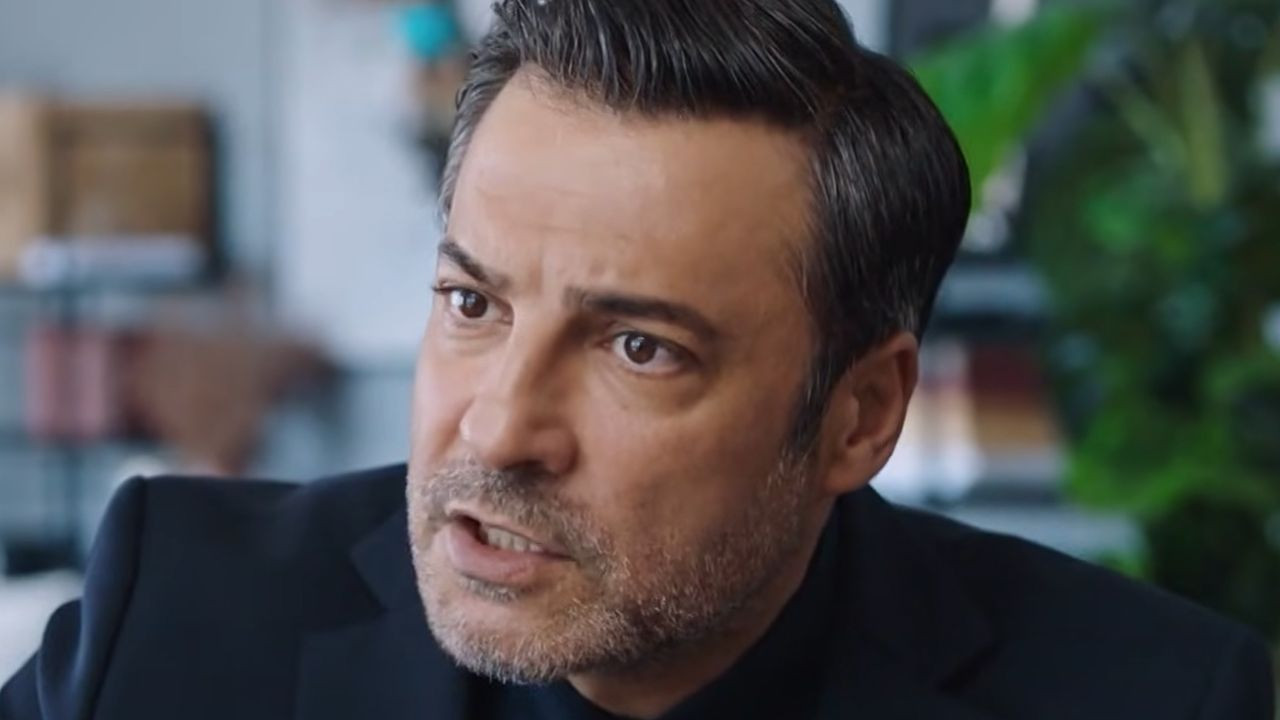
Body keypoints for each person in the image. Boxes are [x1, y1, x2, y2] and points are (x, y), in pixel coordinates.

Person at [2, 0, 1274, 718]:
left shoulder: (1154, 699)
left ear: (857, 414)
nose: (499, 430)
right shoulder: (180, 617)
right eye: (471, 302)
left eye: (636, 347)